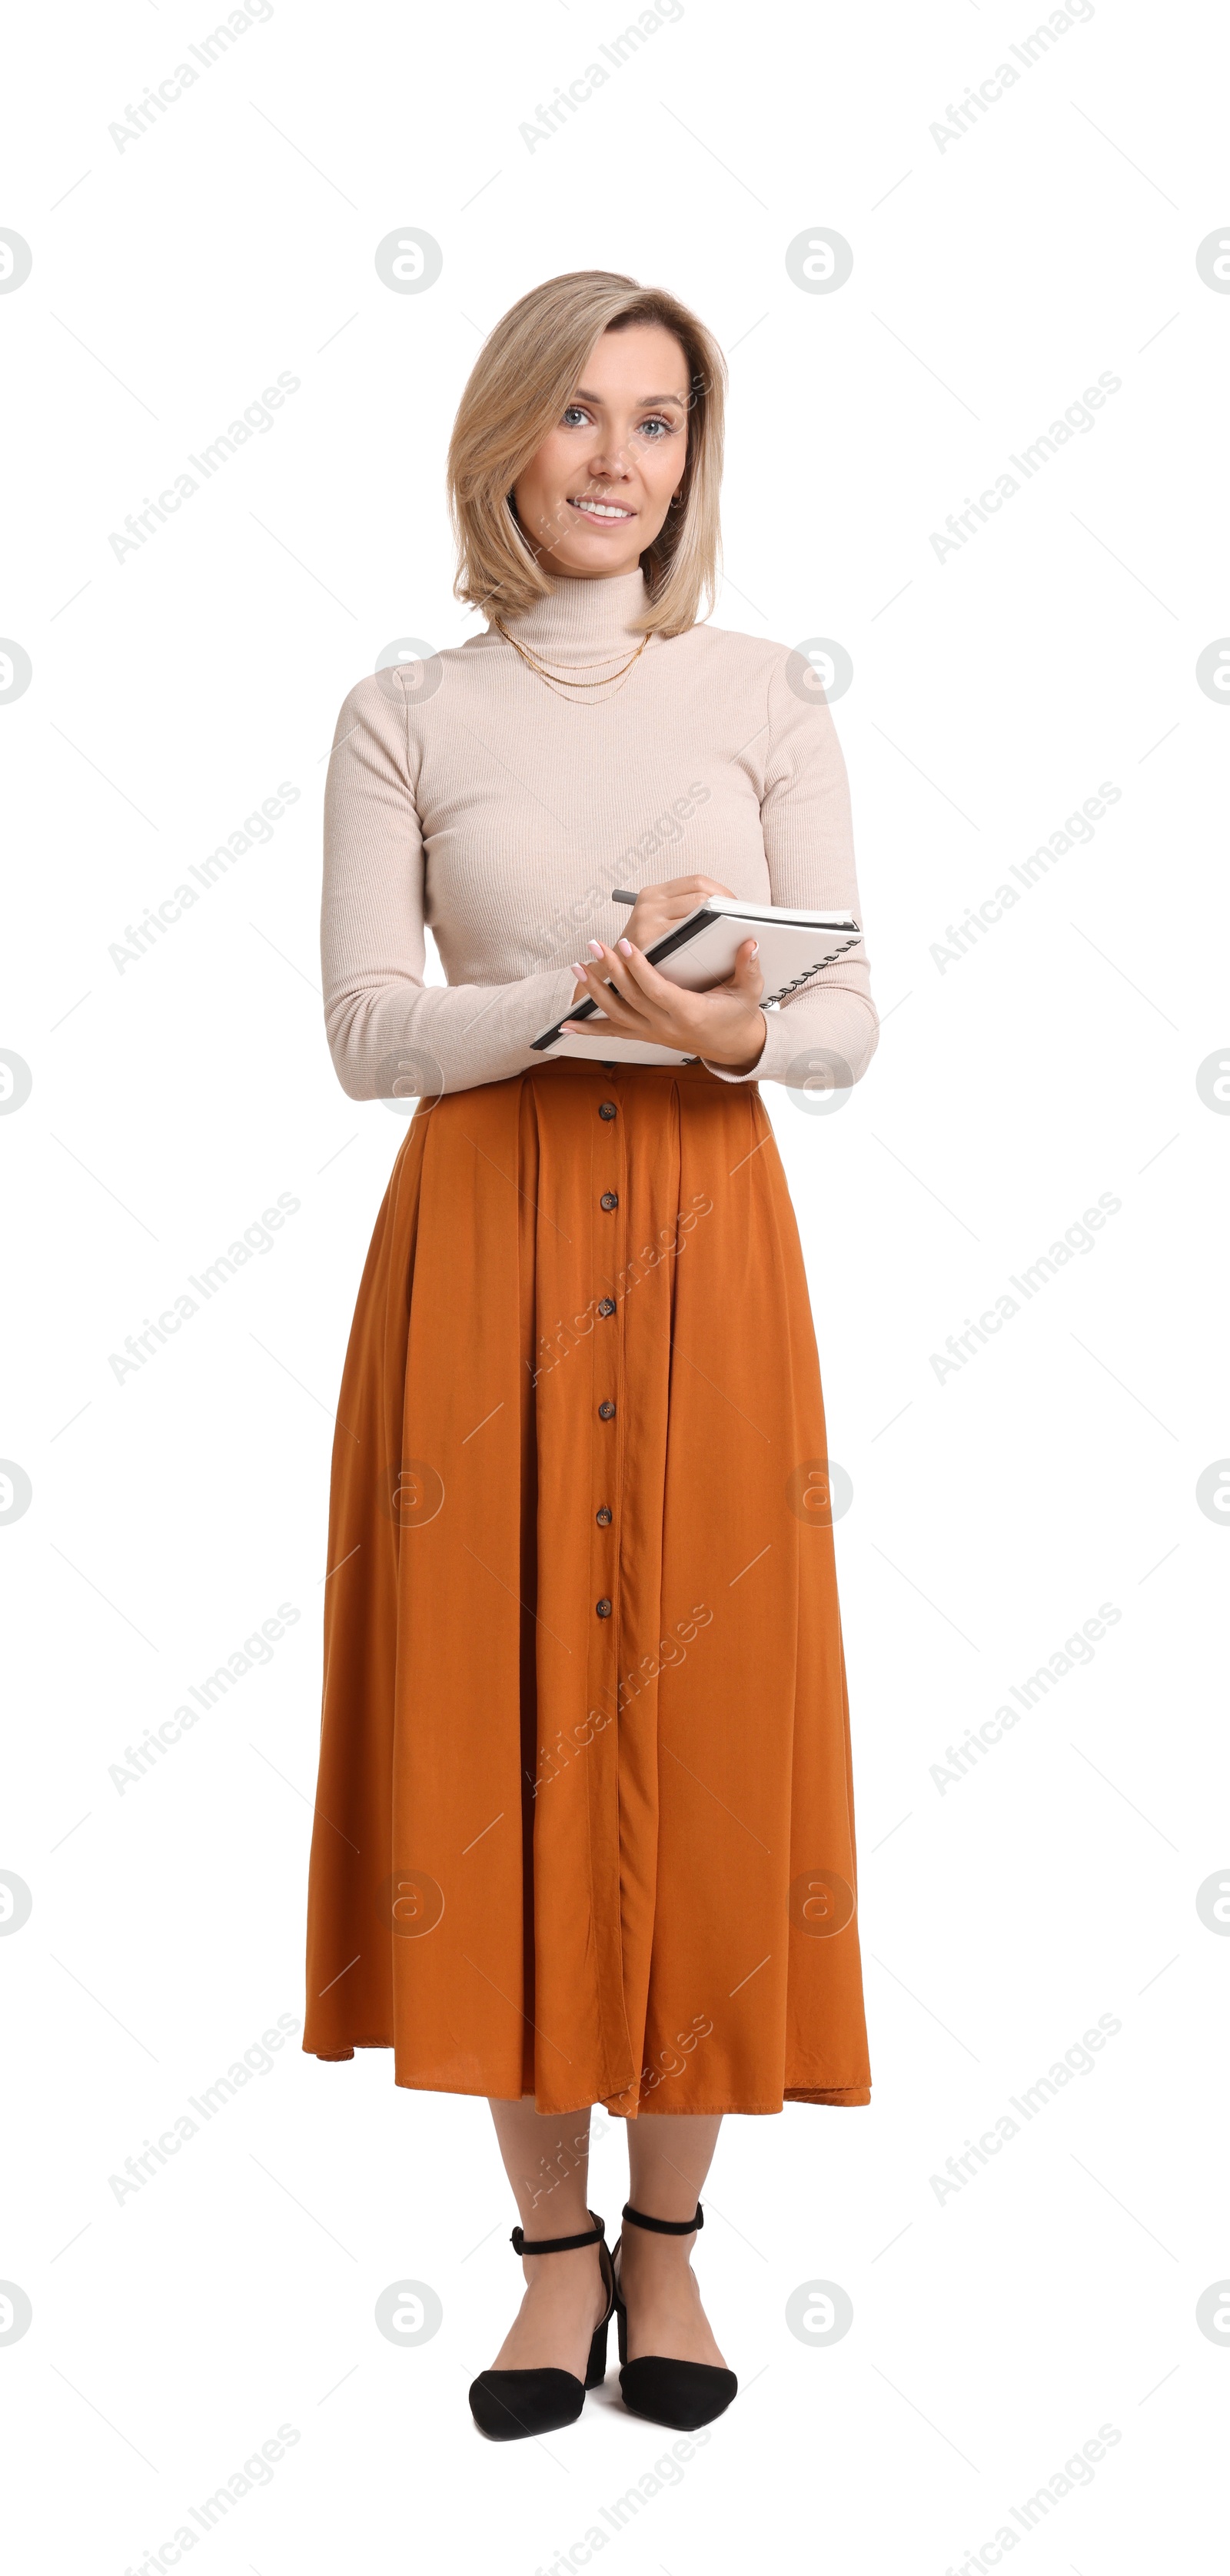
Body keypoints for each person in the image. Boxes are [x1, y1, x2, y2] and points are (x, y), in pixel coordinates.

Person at [303, 268, 876, 2441]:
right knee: (502, 1712)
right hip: (489, 1254)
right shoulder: (405, 714)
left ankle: (677, 2244)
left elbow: (839, 1016)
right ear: (503, 447)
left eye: (657, 422)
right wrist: (565, 1005)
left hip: (713, 1247)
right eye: (579, 417)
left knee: (702, 1711)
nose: (619, 460)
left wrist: (729, 1031)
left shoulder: (759, 693)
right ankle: (553, 2259)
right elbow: (368, 1034)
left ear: (689, 460)